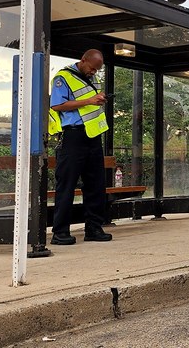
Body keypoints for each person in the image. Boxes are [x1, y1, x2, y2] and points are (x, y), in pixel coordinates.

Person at [48, 49, 112, 244]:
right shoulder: (63, 78)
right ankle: (60, 232)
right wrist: (90, 100)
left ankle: (94, 228)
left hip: (93, 136)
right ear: (83, 61)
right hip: (73, 136)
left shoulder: (92, 79)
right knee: (67, 184)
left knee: (96, 184)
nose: (94, 72)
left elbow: (91, 105)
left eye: (97, 70)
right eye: (92, 68)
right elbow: (57, 105)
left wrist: (99, 100)